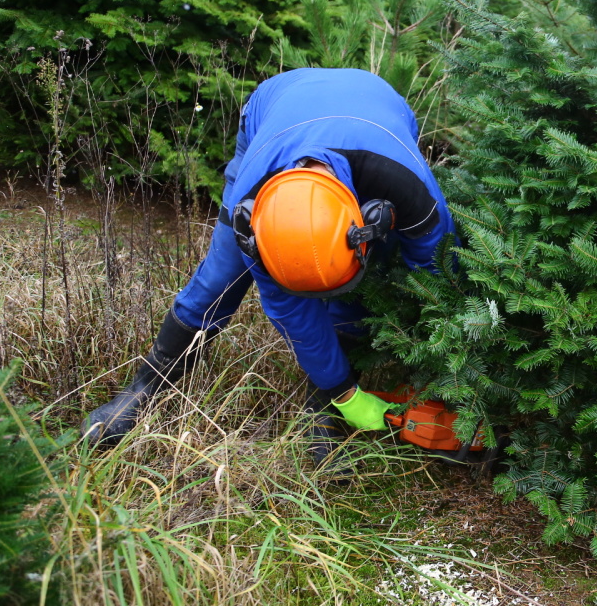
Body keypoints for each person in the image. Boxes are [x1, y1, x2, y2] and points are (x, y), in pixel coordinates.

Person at [83, 67, 455, 462]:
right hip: (275, 107)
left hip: (379, 108)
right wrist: (347, 393)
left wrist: (446, 369)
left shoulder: (408, 189)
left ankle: (322, 410)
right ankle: (141, 392)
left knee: (365, 288)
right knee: (220, 280)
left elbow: (440, 274)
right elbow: (290, 310)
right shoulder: (254, 217)